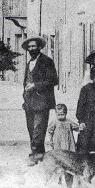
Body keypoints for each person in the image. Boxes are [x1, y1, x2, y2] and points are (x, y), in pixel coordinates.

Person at [22, 36, 59, 166]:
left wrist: (35, 85)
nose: (32, 48)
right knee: (31, 129)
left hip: (43, 101)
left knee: (39, 129)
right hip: (29, 102)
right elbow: (25, 82)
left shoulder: (47, 61)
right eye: (30, 47)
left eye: (34, 46)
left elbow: (53, 80)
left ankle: (34, 155)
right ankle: (40, 154)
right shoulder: (29, 63)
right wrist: (25, 97)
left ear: (39, 47)